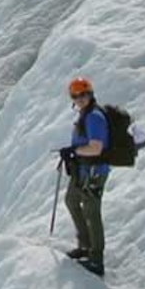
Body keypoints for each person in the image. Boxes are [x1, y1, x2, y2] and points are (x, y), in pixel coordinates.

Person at [59, 75, 110, 276]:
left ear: (90, 94)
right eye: (75, 95)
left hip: (94, 172)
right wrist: (73, 151)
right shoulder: (84, 115)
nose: (79, 98)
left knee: (91, 211)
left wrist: (75, 152)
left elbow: (96, 148)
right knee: (71, 200)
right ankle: (85, 245)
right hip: (83, 170)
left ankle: (96, 260)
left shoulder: (94, 117)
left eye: (83, 94)